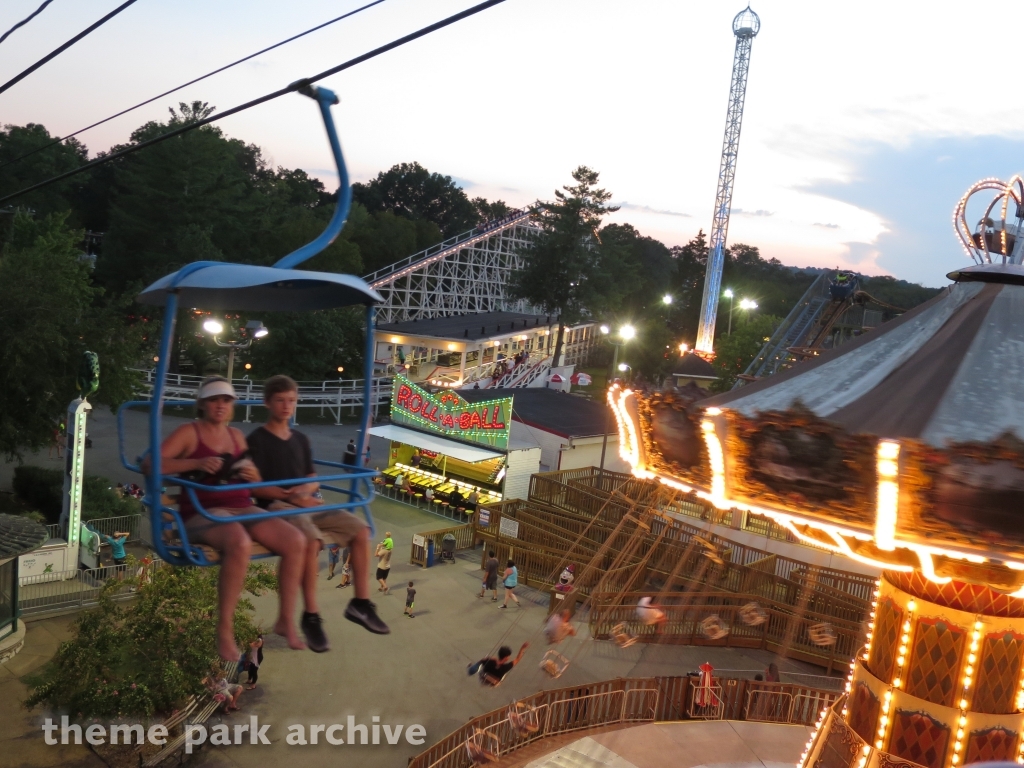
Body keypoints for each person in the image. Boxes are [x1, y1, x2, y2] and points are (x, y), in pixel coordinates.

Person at [147, 375, 308, 661]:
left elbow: (252, 475)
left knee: (295, 540)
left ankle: (285, 618)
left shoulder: (235, 436)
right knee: (240, 542)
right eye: (214, 400)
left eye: (225, 400)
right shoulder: (189, 433)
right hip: (203, 510)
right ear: (203, 404)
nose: (220, 405)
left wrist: (254, 476)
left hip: (241, 505)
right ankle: (224, 629)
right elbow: (150, 464)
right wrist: (195, 463)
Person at [247, 375, 389, 648]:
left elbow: (312, 476)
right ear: (268, 403)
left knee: (360, 530)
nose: (287, 406)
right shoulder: (258, 440)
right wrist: (293, 496)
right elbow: (256, 487)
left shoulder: (300, 438)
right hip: (275, 507)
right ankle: (311, 615)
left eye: (291, 400)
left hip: (304, 502)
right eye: (280, 400)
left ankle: (360, 603)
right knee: (312, 539)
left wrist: (304, 493)